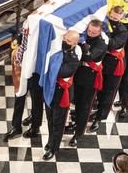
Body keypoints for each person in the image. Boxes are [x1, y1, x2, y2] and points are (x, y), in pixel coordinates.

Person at [43, 30, 81, 160]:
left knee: (58, 123)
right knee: (49, 119)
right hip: (51, 90)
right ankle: (50, 140)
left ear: (75, 44)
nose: (65, 41)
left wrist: (47, 62)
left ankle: (54, 148)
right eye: (64, 38)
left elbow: (59, 72)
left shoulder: (74, 59)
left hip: (62, 94)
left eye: (68, 41)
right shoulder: (57, 52)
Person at [69, 20, 107, 147]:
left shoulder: (101, 43)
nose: (90, 34)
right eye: (89, 31)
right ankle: (75, 123)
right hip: (79, 74)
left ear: (100, 31)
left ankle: (78, 134)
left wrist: (83, 43)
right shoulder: (85, 35)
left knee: (85, 107)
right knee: (77, 103)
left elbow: (89, 57)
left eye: (94, 32)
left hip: (90, 79)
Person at [90, 6, 128, 132]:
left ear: (121, 18)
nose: (112, 20)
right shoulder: (104, 24)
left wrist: (103, 36)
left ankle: (100, 118)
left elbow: (113, 45)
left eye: (115, 18)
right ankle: (96, 110)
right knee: (99, 89)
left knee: (108, 92)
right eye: (111, 17)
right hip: (104, 62)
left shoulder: (122, 31)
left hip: (114, 65)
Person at [4, 37, 27, 141]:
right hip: (22, 71)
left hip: (36, 72)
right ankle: (16, 127)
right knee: (19, 99)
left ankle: (35, 126)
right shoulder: (22, 34)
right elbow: (13, 49)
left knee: (37, 101)